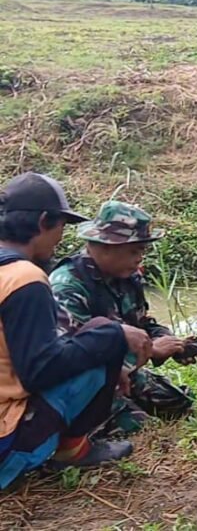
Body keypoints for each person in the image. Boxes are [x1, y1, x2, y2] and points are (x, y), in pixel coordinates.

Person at [0, 173, 152, 489]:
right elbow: (40, 370)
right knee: (105, 335)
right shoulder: (24, 278)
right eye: (61, 226)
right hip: (6, 441)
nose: (61, 238)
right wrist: (115, 336)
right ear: (44, 221)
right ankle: (66, 450)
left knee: (99, 331)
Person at [50, 201, 194, 436]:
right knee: (141, 430)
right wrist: (151, 351)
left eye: (142, 251)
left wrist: (172, 342)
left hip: (125, 371)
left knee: (178, 402)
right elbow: (71, 359)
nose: (139, 259)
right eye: (134, 251)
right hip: (87, 383)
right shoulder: (68, 287)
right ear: (105, 246)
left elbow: (142, 322)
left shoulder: (126, 277)